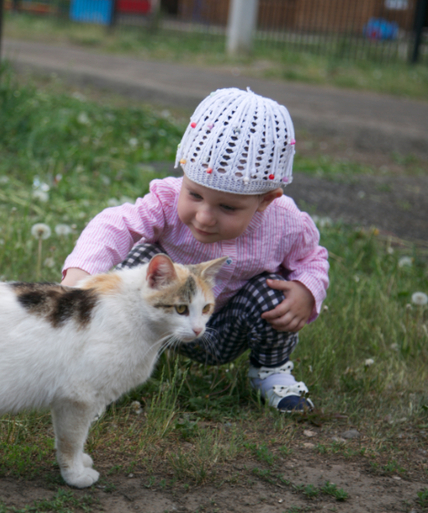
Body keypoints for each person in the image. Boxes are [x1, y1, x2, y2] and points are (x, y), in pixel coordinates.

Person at [61, 88, 329, 412]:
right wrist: (79, 278)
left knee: (274, 293)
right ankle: (113, 361)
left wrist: (306, 289)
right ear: (184, 173)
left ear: (266, 200)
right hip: (160, 315)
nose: (204, 217)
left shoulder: (287, 222)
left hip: (226, 325)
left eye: (227, 207)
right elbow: (115, 224)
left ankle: (271, 371)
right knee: (140, 265)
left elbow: (311, 259)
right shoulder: (166, 201)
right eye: (195, 195)